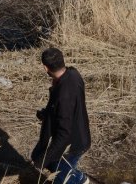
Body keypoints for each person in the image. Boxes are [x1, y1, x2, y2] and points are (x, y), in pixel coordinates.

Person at [31, 48, 91, 184]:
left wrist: (42, 161)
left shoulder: (63, 95)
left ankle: (78, 180)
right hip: (77, 131)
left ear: (45, 68)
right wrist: (47, 114)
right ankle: (77, 177)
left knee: (58, 175)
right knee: (37, 155)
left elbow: (64, 135)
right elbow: (66, 108)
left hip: (74, 143)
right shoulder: (73, 73)